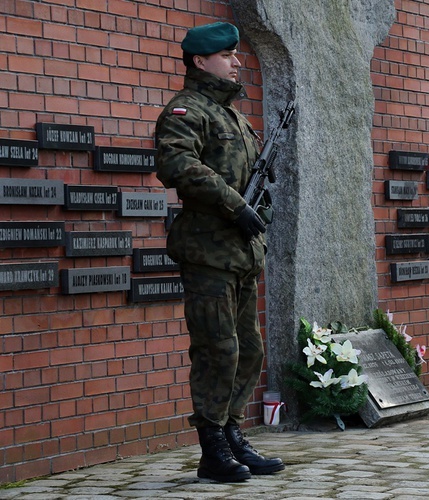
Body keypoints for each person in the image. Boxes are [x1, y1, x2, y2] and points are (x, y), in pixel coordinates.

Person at [154, 21, 285, 482]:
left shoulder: (233, 117)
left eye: (235, 54)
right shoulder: (187, 111)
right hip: (208, 254)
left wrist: (260, 202)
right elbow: (176, 164)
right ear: (199, 61)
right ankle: (212, 448)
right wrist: (235, 204)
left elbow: (250, 180)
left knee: (249, 349)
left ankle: (232, 436)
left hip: (243, 253)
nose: (235, 62)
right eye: (227, 55)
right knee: (217, 351)